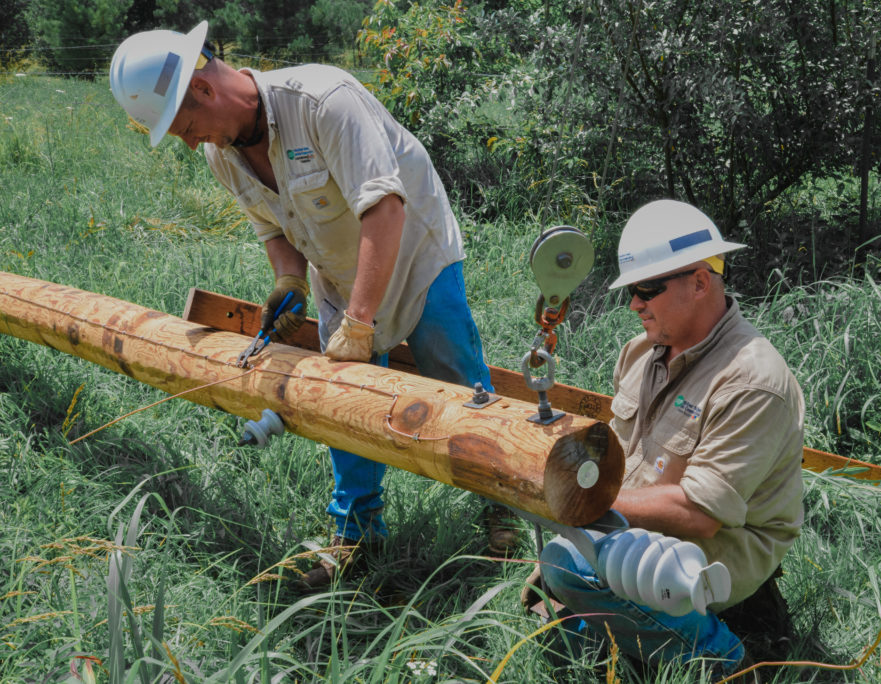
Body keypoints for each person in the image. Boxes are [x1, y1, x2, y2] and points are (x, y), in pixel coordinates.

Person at [108, 21, 520, 589]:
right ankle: (357, 533)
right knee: (342, 398)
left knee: (458, 379)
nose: (188, 141)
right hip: (337, 271)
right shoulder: (223, 153)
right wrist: (289, 280)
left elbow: (385, 210)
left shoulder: (324, 101)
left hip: (416, 254)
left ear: (201, 89)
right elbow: (273, 227)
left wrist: (360, 321)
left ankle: (500, 515)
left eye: (185, 127)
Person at [526, 200, 805, 674]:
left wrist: (576, 503)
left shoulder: (752, 380)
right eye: (633, 289)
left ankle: (723, 660)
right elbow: (616, 455)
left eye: (647, 288)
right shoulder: (640, 352)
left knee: (569, 567)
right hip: (642, 523)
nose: (635, 303)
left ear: (700, 282)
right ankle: (619, 631)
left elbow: (698, 515)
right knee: (554, 584)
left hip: (720, 546)